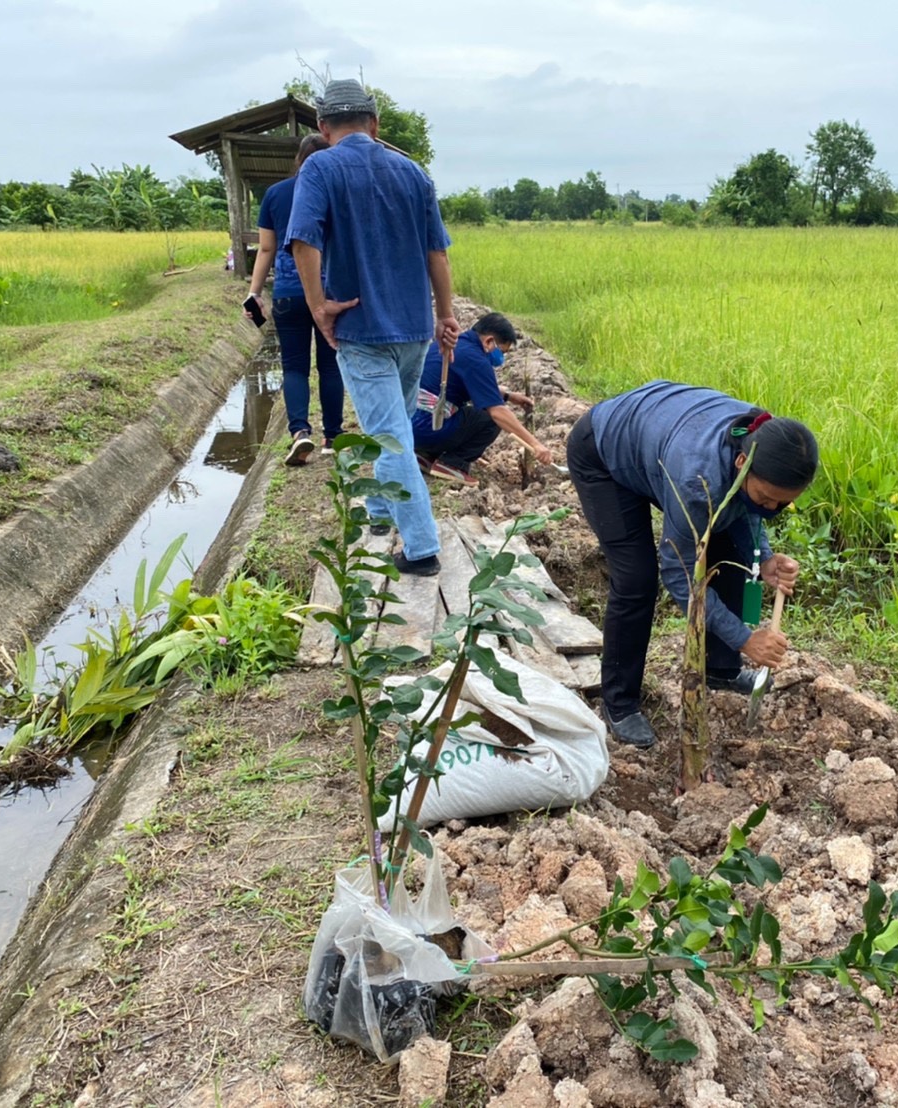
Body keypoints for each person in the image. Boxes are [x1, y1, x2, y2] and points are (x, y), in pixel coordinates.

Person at [566, 380, 819, 748]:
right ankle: (619, 703)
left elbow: (744, 507)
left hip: (660, 437)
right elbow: (680, 574)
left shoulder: (764, 440)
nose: (770, 509)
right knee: (637, 579)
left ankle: (720, 669)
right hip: (605, 453)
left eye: (780, 504)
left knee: (729, 543)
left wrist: (764, 559)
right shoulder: (697, 480)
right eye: (766, 498)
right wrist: (745, 639)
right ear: (741, 462)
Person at [285, 78, 458, 577]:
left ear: (322, 126)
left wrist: (319, 307)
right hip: (413, 329)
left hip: (360, 329)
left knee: (389, 437)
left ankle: (422, 548)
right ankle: (381, 512)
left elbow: (302, 242)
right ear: (374, 123)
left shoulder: (319, 166)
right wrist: (445, 314)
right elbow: (437, 252)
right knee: (394, 427)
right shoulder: (412, 172)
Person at [246, 133, 343, 466]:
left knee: (295, 366)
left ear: (299, 160)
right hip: (330, 291)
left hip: (288, 292)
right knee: (331, 366)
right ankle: (333, 436)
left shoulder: (275, 194)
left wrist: (254, 293)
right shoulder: (337, 191)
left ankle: (300, 433)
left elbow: (267, 249)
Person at [413, 312, 552, 486]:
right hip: (430, 428)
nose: (501, 358)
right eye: (502, 351)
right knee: (489, 420)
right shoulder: (476, 360)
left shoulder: (450, 344)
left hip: (410, 426)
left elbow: (474, 386)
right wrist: (535, 444)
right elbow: (497, 413)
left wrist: (509, 396)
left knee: (463, 410)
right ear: (488, 341)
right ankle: (453, 464)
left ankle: (424, 455)